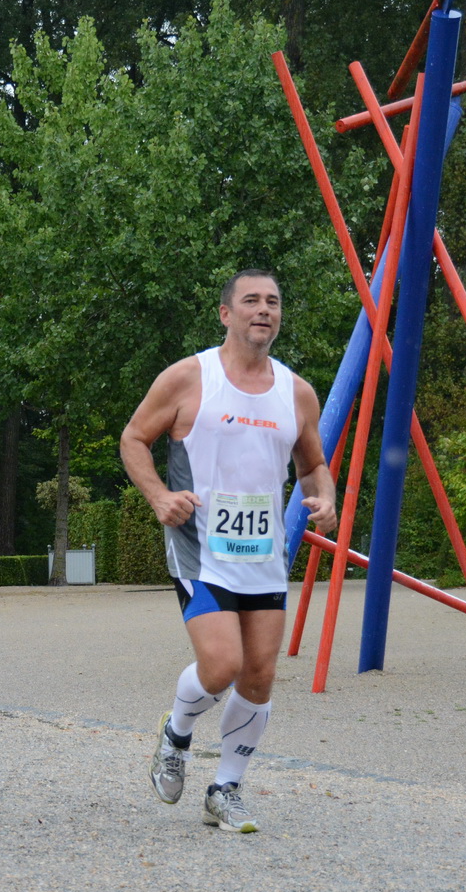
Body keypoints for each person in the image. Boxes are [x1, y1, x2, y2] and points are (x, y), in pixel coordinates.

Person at [119, 270, 338, 834]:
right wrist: (159, 496)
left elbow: (312, 464)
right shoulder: (190, 377)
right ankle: (176, 735)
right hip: (201, 551)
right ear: (226, 314)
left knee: (259, 677)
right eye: (250, 301)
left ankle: (226, 787)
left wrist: (326, 497)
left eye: (272, 302)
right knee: (223, 665)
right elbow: (134, 438)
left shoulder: (296, 392)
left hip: (263, 554)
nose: (263, 310)